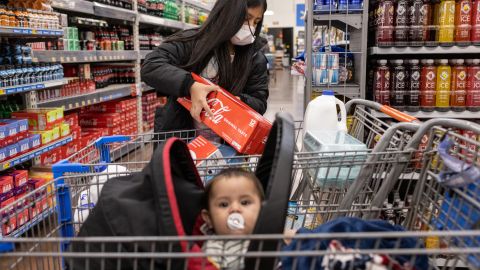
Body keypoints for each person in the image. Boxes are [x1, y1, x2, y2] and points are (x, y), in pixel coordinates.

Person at [141, 0, 269, 142]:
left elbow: (259, 101)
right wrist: (190, 85)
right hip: (182, 142)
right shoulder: (192, 41)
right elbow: (151, 66)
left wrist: (237, 102)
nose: (250, 27)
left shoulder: (255, 57)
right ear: (225, 14)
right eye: (246, 19)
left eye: (256, 22)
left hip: (228, 145)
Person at [200, 168, 264, 269]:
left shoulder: (268, 235)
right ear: (209, 218)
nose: (235, 209)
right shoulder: (213, 250)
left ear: (262, 210)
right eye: (224, 204)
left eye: (245, 202)